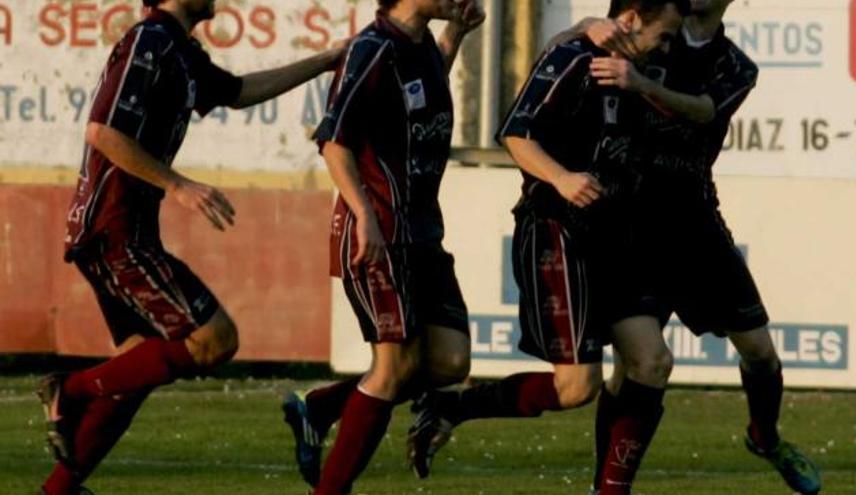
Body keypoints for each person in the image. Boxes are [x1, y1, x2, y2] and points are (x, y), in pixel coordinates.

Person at [36, 1, 343, 494]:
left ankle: (58, 489)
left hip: (122, 230)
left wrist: (326, 59)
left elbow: (241, 92)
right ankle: (67, 391)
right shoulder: (149, 41)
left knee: (134, 369)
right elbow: (104, 131)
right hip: (116, 230)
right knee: (215, 338)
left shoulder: (180, 50)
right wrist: (178, 185)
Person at [405, 2, 689, 494]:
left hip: (616, 233)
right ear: (634, 20)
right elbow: (516, 132)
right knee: (577, 386)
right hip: (558, 230)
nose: (666, 49)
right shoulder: (573, 59)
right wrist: (561, 178)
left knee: (652, 361)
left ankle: (610, 490)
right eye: (663, 36)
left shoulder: (638, 75)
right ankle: (453, 405)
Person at [571, 1, 822, 493]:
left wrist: (643, 86)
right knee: (638, 365)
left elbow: (704, 111)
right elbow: (591, 35)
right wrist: (589, 24)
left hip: (694, 222)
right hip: (629, 219)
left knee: (760, 352)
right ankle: (607, 485)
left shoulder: (736, 65)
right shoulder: (658, 25)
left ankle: (765, 437)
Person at [288, 1, 484, 493]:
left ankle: (323, 406)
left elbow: (420, 93)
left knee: (450, 362)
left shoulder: (418, 46)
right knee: (394, 368)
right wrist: (365, 217)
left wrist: (456, 32)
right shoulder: (371, 50)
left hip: (422, 232)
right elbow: (334, 144)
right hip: (379, 233)